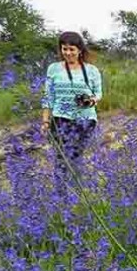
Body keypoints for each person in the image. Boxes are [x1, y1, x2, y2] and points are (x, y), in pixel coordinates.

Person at [40, 31, 103, 178]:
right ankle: (61, 195)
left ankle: (78, 193)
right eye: (64, 49)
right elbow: (48, 96)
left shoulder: (92, 70)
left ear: (79, 50)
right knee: (60, 157)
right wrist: (45, 120)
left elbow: (98, 93)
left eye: (71, 49)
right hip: (60, 118)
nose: (68, 53)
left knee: (75, 155)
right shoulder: (53, 68)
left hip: (85, 118)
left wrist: (91, 100)